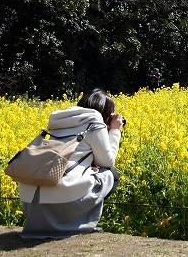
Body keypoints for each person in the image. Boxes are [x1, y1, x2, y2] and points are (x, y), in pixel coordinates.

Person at [17, 88, 124, 239]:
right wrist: (114, 131)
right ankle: (75, 223)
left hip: (31, 199)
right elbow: (106, 162)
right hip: (60, 196)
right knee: (111, 175)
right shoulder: (94, 124)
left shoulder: (58, 121)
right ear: (104, 113)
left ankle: (52, 224)